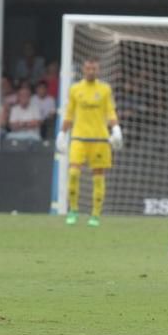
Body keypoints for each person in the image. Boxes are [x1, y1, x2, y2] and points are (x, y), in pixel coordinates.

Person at [56, 57, 123, 228]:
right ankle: (73, 210)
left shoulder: (105, 89)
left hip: (100, 139)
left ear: (98, 70)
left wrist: (116, 129)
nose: (91, 71)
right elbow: (69, 114)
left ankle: (95, 214)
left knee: (98, 177)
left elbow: (110, 112)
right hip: (79, 138)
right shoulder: (75, 89)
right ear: (84, 70)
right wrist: (62, 134)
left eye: (94, 69)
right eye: (88, 69)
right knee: (73, 173)